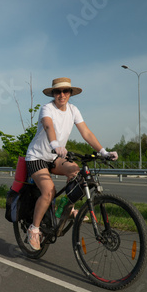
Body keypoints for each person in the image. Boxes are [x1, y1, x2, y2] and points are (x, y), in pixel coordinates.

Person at [25, 77, 118, 250]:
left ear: (70, 93)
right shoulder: (47, 108)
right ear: (53, 94)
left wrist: (103, 152)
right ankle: (34, 229)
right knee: (48, 191)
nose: (61, 94)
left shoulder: (73, 110)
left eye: (65, 91)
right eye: (57, 91)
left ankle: (64, 210)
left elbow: (86, 133)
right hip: (37, 157)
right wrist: (54, 144)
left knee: (76, 170)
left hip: (54, 157)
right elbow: (48, 126)